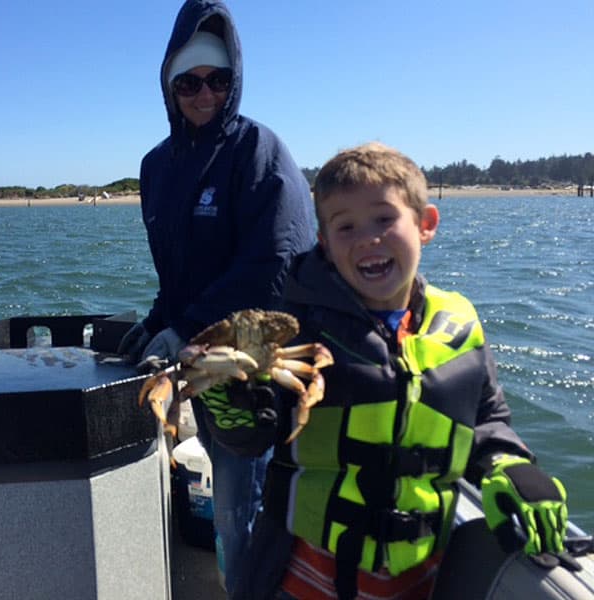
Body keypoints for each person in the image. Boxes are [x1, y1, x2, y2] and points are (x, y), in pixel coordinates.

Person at [200, 142, 568, 599]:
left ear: (426, 224)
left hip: (423, 577)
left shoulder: (458, 323)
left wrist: (510, 465)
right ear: (325, 245)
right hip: (303, 576)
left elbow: (486, 419)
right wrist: (230, 409)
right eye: (346, 226)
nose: (367, 239)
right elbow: (255, 435)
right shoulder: (296, 329)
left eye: (384, 219)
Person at [116, 0, 315, 594]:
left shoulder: (260, 151)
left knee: (239, 507)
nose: (204, 94)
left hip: (249, 366)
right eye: (189, 82)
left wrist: (189, 329)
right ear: (169, 86)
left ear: (235, 82)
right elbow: (179, 272)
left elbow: (275, 264)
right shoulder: (156, 166)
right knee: (226, 506)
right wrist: (157, 320)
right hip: (194, 358)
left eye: (218, 79)